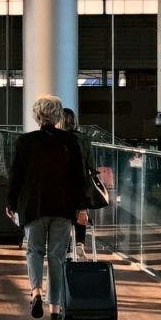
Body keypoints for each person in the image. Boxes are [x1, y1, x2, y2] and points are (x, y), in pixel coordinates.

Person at [7, 95, 90, 320]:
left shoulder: (25, 142)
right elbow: (79, 178)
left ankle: (36, 291)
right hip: (63, 207)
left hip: (33, 205)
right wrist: (81, 207)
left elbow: (16, 176)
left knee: (34, 250)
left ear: (37, 116)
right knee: (57, 255)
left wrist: (11, 203)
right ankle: (55, 306)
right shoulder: (70, 142)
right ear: (58, 116)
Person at [61, 107, 98, 258]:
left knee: (64, 216)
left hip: (62, 185)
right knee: (81, 211)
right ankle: (80, 243)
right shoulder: (84, 138)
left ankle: (67, 247)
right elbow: (91, 166)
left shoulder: (58, 139)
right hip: (81, 185)